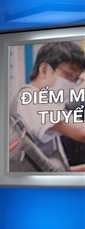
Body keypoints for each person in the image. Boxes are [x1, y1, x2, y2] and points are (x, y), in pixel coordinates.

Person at [8, 41, 85, 172]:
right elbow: (81, 132)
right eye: (68, 75)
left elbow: (48, 167)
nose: (72, 84)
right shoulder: (32, 98)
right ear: (44, 69)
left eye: (76, 79)